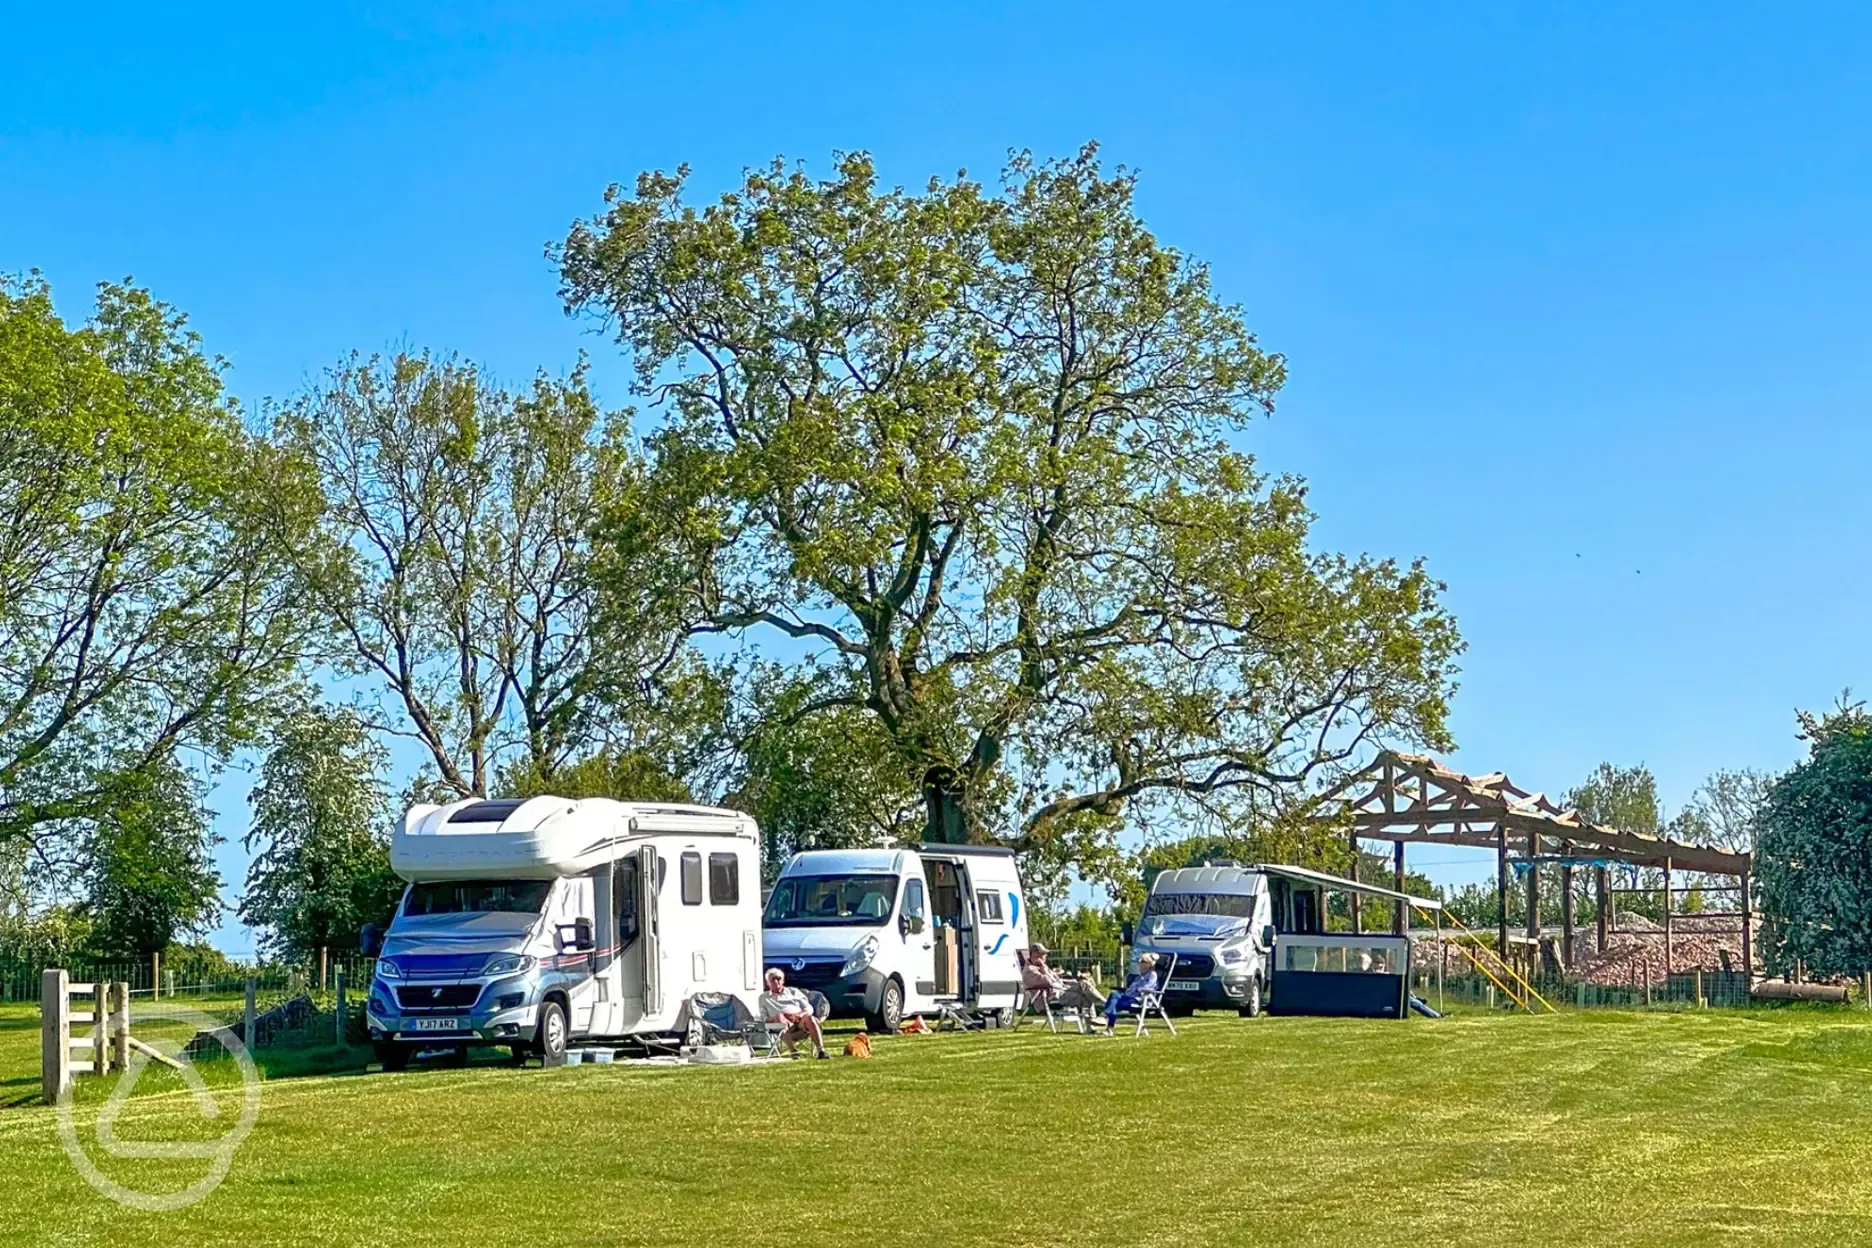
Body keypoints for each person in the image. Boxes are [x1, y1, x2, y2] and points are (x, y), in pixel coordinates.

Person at [759, 967, 830, 1059]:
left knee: (810, 1018)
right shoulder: (763, 998)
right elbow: (763, 1017)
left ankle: (821, 1051)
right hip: (781, 1024)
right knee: (781, 1018)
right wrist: (777, 1017)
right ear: (767, 983)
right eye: (773, 979)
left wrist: (798, 1015)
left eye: (779, 979)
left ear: (783, 980)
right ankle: (794, 1051)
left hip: (799, 1021)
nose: (776, 982)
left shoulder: (794, 992)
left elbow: (809, 1008)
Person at [1021, 942, 1106, 1012]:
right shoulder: (1030, 971)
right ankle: (1103, 1009)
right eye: (1043, 954)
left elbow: (1056, 979)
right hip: (1050, 997)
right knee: (1084, 997)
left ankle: (1104, 1006)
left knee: (1084, 984)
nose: (1046, 956)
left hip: (1061, 990)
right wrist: (1044, 968)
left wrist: (1070, 981)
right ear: (1035, 954)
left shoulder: (1041, 967)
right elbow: (1049, 982)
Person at [1102, 953, 1161, 1035]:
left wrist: (1139, 989)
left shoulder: (1152, 975)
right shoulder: (1139, 977)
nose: (1139, 963)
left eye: (1142, 961)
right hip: (1129, 997)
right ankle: (1107, 1025)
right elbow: (1130, 990)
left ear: (1148, 964)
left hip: (1140, 999)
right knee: (1113, 997)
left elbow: (1148, 987)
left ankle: (1106, 1021)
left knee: (1113, 1002)